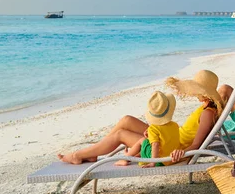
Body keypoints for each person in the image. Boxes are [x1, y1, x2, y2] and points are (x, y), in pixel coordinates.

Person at [57, 69, 224, 165]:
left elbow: (196, 144)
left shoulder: (207, 114)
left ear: (203, 92)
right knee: (127, 120)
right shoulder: (206, 108)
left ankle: (79, 155)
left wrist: (179, 152)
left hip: (170, 145)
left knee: (120, 134)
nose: (193, 93)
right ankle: (94, 150)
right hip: (170, 135)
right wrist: (155, 131)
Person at [116, 91, 179, 167]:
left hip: (160, 161)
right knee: (147, 143)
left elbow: (155, 145)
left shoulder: (153, 129)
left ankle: (125, 159)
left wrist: (153, 163)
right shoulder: (175, 125)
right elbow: (166, 139)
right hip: (171, 159)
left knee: (142, 141)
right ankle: (131, 156)